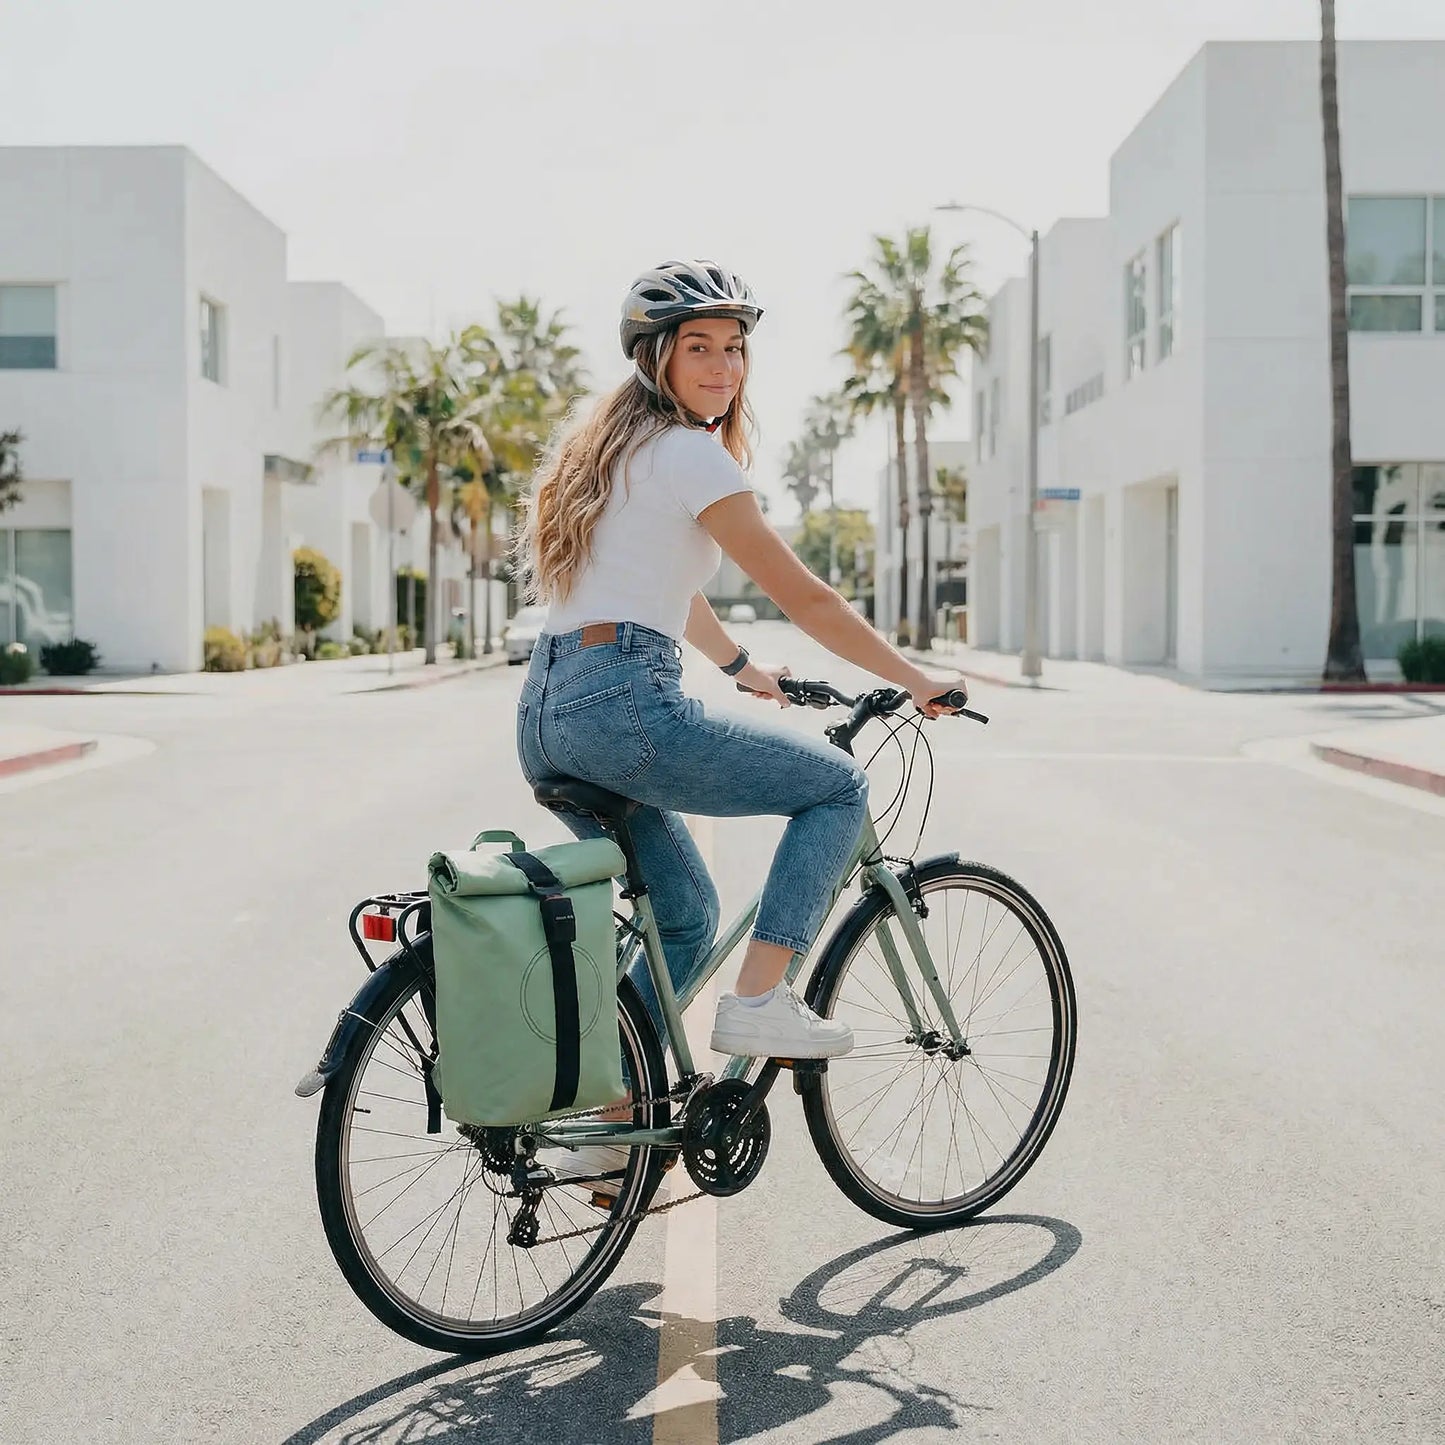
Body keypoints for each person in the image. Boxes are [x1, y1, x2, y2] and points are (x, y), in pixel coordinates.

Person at [514, 258, 964, 1071]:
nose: (723, 367)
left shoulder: (612, 453)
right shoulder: (691, 454)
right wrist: (915, 678)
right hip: (622, 711)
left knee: (684, 919)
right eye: (699, 349)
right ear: (658, 358)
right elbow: (809, 598)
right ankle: (758, 1002)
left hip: (547, 716)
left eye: (734, 348)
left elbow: (660, 588)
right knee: (836, 785)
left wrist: (739, 665)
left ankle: (615, 1121)